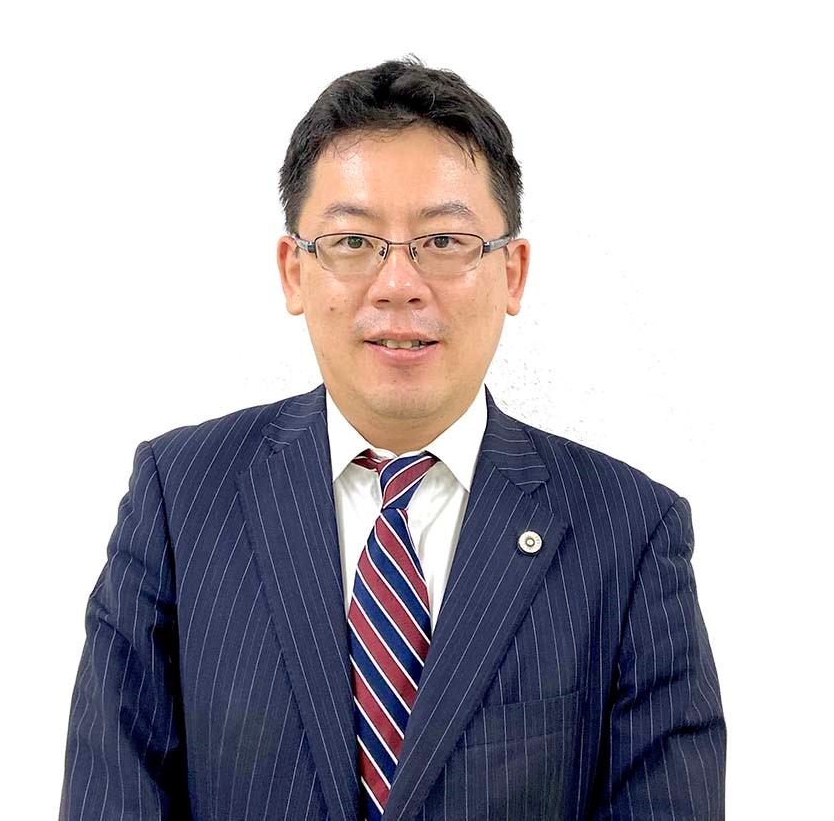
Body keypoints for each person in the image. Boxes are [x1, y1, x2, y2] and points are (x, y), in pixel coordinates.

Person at [59, 56, 725, 820]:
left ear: (512, 273)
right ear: (293, 271)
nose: (399, 285)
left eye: (444, 241)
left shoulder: (631, 535)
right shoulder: (180, 499)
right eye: (352, 241)